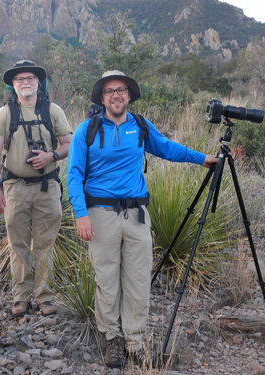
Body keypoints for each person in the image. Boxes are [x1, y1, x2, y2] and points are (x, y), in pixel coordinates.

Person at [67, 70, 217, 368]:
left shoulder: (141, 126)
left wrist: (202, 158)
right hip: (100, 214)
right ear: (102, 98)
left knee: (137, 279)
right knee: (106, 279)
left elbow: (167, 149)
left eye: (121, 89)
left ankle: (135, 340)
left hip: (136, 215)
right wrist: (81, 214)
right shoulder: (86, 130)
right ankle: (113, 339)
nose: (116, 95)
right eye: (110, 91)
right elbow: (73, 175)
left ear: (130, 95)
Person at [0, 60, 72, 317]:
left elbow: (69, 143)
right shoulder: (5, 114)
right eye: (19, 79)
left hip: (47, 186)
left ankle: (44, 297)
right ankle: (21, 297)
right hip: (15, 187)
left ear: (38, 82)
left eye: (30, 78)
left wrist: (51, 156)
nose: (25, 82)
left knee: (45, 243)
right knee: (18, 244)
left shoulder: (53, 110)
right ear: (13, 85)